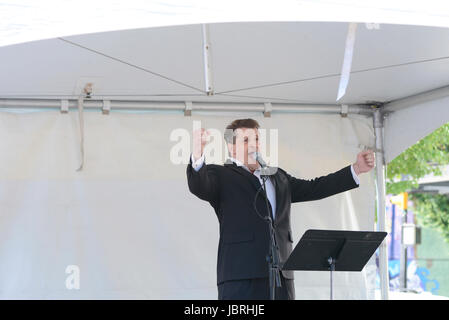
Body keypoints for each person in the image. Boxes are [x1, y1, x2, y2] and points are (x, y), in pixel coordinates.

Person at [186, 118, 375, 300]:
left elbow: (314, 188)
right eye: (245, 141)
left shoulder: (277, 176)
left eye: (257, 139)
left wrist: (356, 169)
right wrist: (197, 152)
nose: (253, 145)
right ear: (231, 147)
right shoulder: (221, 174)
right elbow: (200, 186)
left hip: (282, 275)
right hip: (241, 276)